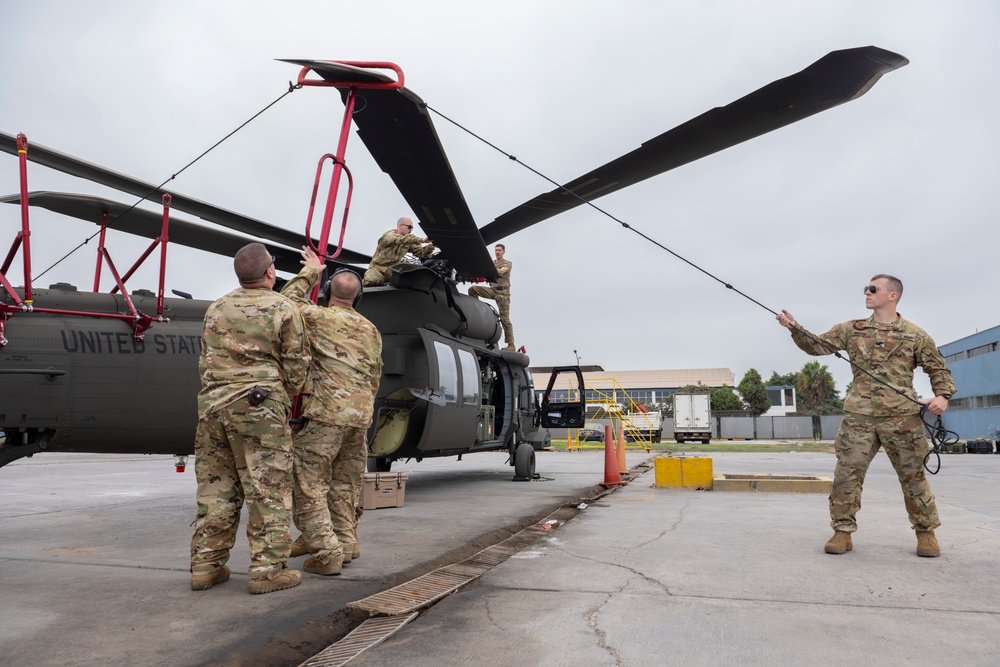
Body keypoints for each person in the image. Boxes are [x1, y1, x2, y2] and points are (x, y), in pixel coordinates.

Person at [776, 274, 956, 558]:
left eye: (874, 289)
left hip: (902, 417)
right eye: (866, 288)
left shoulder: (915, 334)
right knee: (846, 475)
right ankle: (842, 533)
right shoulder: (852, 329)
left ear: (893, 295)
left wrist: (942, 396)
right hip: (859, 416)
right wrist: (795, 328)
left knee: (914, 477)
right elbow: (817, 345)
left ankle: (926, 534)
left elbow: (938, 369)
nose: (867, 293)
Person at [190, 242, 311, 594]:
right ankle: (267, 571)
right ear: (270, 272)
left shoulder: (217, 308)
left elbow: (205, 363)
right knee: (267, 489)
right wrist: (278, 398)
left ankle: (205, 566)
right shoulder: (283, 307)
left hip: (213, 407)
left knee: (215, 489)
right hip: (260, 407)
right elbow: (297, 366)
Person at [282, 246, 383, 576]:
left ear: (326, 293)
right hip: (359, 418)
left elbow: (285, 304)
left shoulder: (316, 316)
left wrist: (311, 270)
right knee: (343, 484)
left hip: (327, 414)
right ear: (359, 298)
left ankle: (327, 553)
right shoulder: (371, 330)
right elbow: (375, 374)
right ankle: (347, 541)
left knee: (307, 481)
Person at [363, 217, 435, 286]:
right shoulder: (388, 236)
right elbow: (400, 239)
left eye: (412, 228)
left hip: (393, 271)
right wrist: (422, 240)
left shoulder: (409, 240)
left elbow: (420, 252)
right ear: (400, 225)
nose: (411, 230)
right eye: (409, 227)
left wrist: (431, 246)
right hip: (377, 269)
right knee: (371, 281)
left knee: (412, 283)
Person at [469, 243, 515, 351]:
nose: (497, 252)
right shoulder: (492, 263)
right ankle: (477, 311)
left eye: (499, 250)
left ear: (503, 251)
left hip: (503, 293)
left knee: (505, 319)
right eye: (496, 250)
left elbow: (502, 271)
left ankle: (511, 344)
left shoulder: (507, 263)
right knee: (473, 289)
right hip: (493, 290)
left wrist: (488, 270)